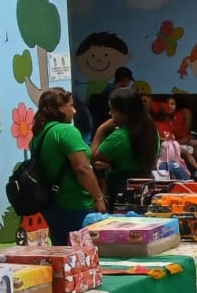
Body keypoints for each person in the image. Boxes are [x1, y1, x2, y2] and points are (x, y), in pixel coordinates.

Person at [31, 87, 107, 244]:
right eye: (71, 106)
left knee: (62, 251)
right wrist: (99, 198)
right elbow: (82, 169)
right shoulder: (66, 131)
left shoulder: (40, 133)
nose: (74, 111)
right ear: (61, 109)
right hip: (75, 203)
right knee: (84, 251)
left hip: (52, 205)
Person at [90, 89, 159, 204]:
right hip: (147, 185)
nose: (110, 114)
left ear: (124, 112)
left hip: (123, 189)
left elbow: (93, 156)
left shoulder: (121, 136)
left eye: (112, 109)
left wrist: (101, 130)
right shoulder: (152, 129)